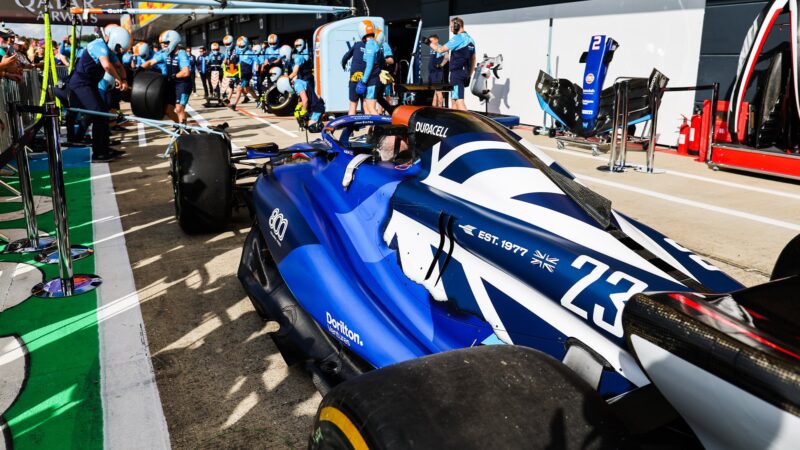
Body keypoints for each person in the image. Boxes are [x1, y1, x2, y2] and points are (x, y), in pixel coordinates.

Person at [66, 26, 130, 161]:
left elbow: (118, 66)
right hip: (80, 84)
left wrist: (124, 79)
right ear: (115, 40)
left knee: (103, 114)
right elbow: (107, 66)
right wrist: (119, 79)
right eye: (118, 47)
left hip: (90, 85)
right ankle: (99, 153)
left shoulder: (109, 50)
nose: (119, 50)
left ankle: (104, 149)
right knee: (99, 114)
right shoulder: (98, 45)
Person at [141, 30, 191, 124]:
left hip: (183, 85)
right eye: (162, 43)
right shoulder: (165, 54)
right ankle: (182, 128)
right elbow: (151, 62)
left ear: (174, 41)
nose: (163, 45)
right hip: (172, 84)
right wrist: (140, 69)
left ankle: (183, 133)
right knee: (167, 110)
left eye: (166, 43)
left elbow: (186, 72)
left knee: (179, 108)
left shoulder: (181, 54)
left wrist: (174, 76)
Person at [426, 17, 475, 111]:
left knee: (459, 101)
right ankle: (456, 123)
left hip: (457, 74)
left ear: (457, 26)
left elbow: (440, 49)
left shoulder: (458, 38)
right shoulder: (471, 39)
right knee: (453, 100)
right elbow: (473, 59)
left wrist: (428, 43)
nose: (451, 29)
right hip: (464, 73)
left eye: (452, 26)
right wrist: (469, 74)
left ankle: (466, 123)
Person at [341, 20, 377, 115]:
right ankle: (369, 128)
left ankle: (350, 128)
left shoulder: (357, 44)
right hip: (366, 78)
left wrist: (343, 65)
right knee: (366, 104)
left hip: (355, 78)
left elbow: (345, 57)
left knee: (353, 104)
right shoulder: (375, 46)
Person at [288, 39, 325, 128]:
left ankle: (313, 119)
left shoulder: (300, 56)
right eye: (296, 46)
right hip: (306, 80)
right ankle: (310, 118)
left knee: (306, 101)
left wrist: (287, 79)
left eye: (299, 45)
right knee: (303, 103)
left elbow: (295, 72)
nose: (297, 47)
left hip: (305, 80)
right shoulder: (305, 54)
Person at [229, 36, 257, 110]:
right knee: (248, 89)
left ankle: (234, 104)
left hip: (247, 74)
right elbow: (235, 60)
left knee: (239, 88)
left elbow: (257, 61)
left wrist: (256, 69)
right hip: (240, 73)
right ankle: (258, 99)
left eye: (242, 46)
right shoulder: (240, 52)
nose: (241, 47)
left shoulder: (251, 53)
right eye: (239, 46)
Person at [426, 34, 448, 107]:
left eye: (431, 41)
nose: (430, 43)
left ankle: (440, 108)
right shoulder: (432, 48)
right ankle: (434, 106)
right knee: (435, 91)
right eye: (429, 41)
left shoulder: (440, 47)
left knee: (438, 91)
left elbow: (447, 57)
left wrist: (441, 65)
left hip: (437, 73)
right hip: (431, 72)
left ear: (436, 40)